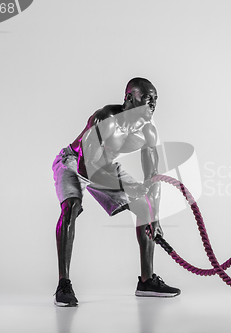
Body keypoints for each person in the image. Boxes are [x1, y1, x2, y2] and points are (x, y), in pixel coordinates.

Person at [52, 77, 180, 307]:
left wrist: (155, 216)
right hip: (74, 160)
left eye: (156, 100)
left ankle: (147, 281)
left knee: (144, 206)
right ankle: (63, 285)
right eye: (147, 98)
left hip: (105, 166)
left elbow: (153, 178)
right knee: (71, 206)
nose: (153, 104)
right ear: (129, 98)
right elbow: (84, 168)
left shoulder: (148, 131)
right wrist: (129, 187)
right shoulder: (106, 119)